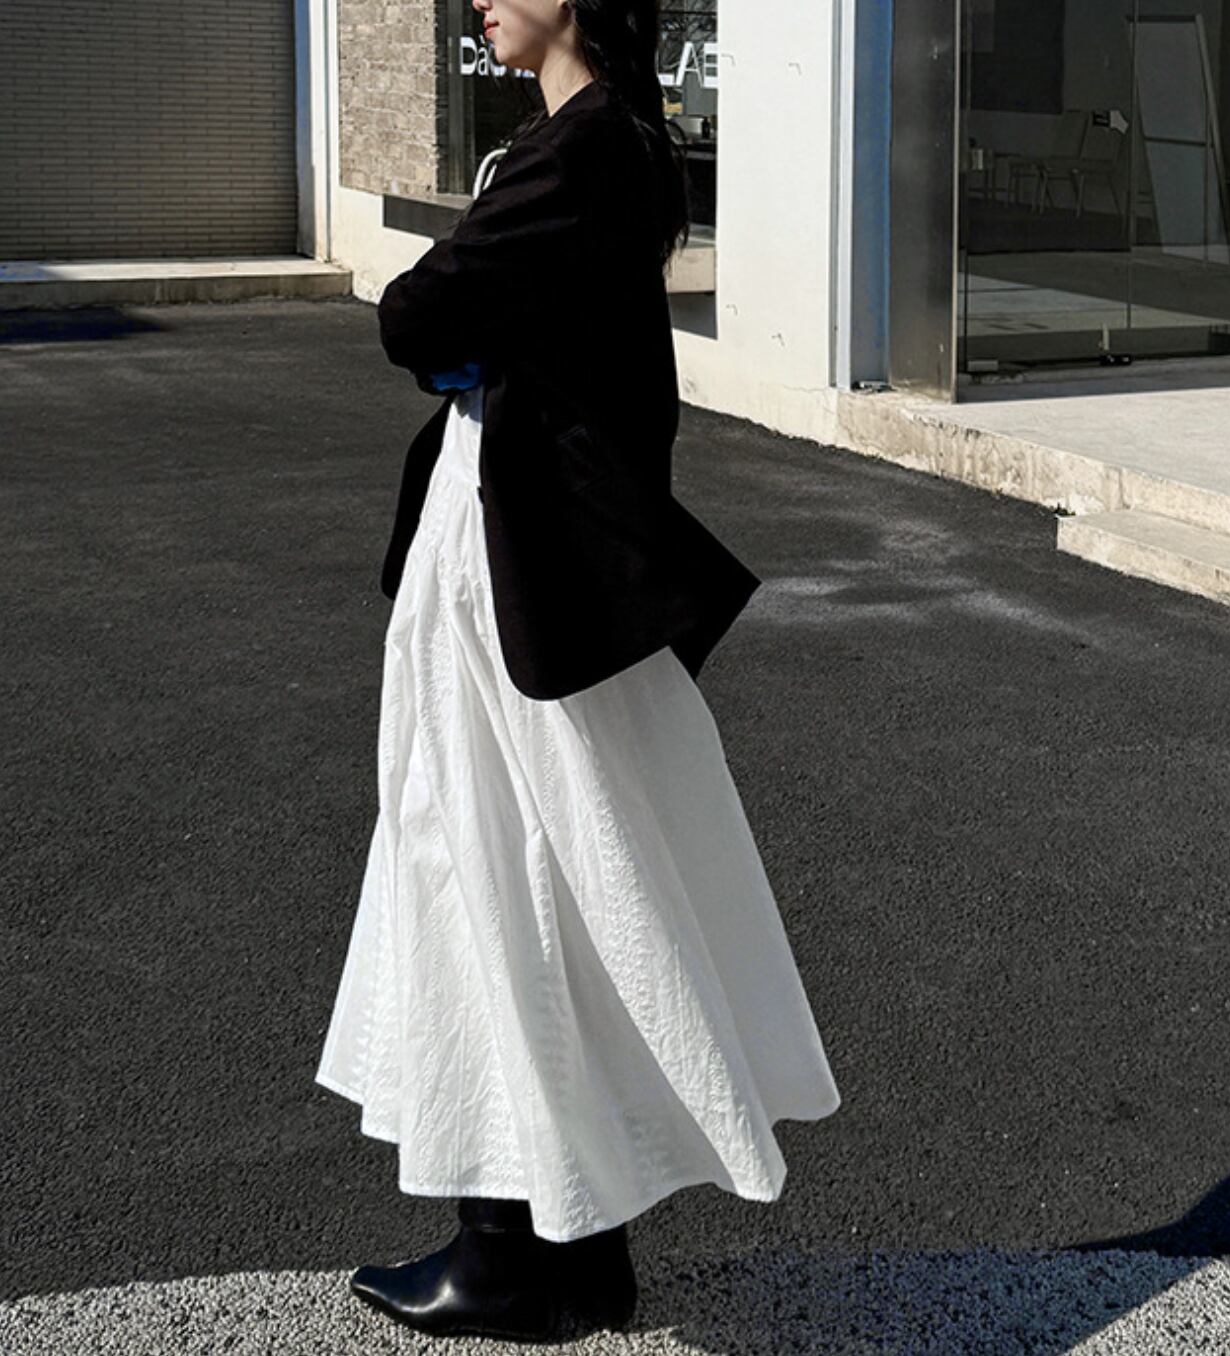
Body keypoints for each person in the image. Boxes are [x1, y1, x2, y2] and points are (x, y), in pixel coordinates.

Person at [314, 0, 841, 1342]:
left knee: (499, 869)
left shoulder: (587, 145)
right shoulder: (596, 142)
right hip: (516, 547)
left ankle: (519, 1254)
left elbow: (418, 312)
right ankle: (564, 1246)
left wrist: (455, 321)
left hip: (518, 558)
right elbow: (470, 316)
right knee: (532, 867)